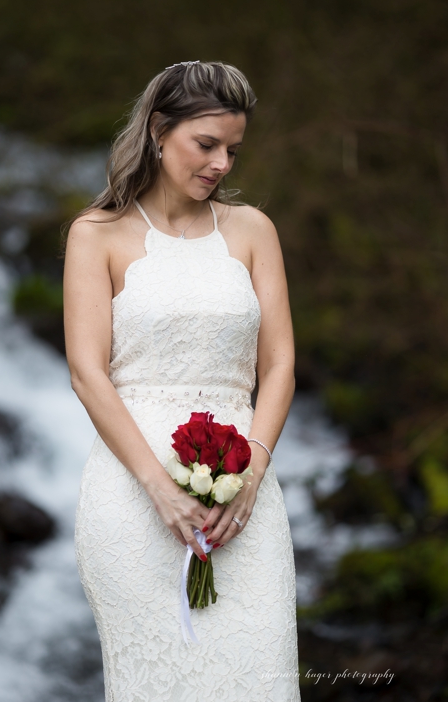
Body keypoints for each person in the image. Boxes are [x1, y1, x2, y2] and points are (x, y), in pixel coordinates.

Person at [63, 60, 299, 699]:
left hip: (243, 499)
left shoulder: (253, 231)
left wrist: (251, 472)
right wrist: (159, 490)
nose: (222, 163)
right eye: (207, 144)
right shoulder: (97, 234)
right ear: (159, 131)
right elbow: (88, 373)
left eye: (233, 149)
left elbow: (279, 366)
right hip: (132, 497)